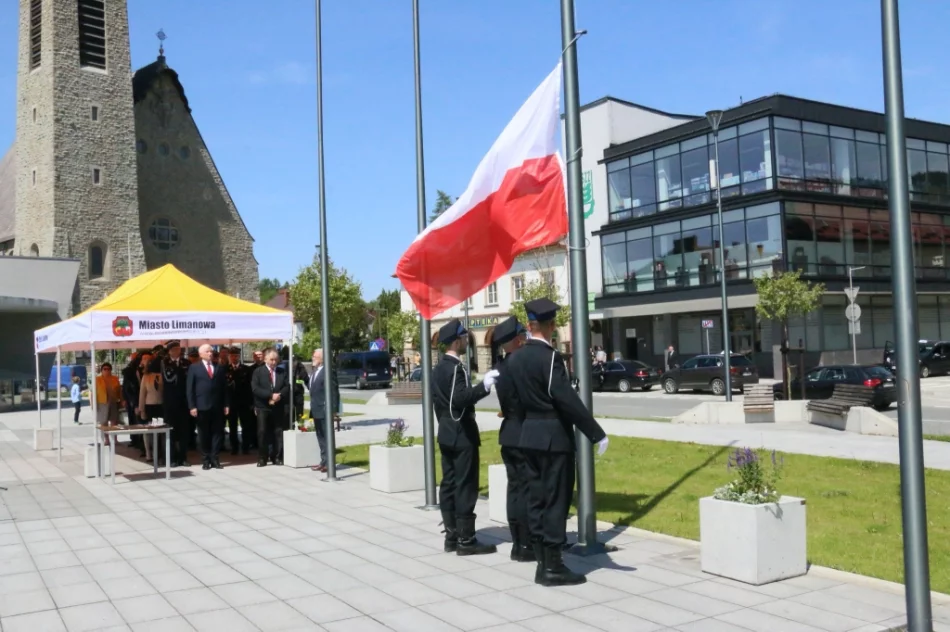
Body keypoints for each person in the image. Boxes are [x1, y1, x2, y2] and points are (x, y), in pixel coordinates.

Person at [509, 298, 609, 586]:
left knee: (536, 499)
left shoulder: (515, 359)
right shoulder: (550, 358)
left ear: (529, 325)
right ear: (551, 326)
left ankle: (542, 562)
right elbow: (564, 398)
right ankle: (553, 567)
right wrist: (595, 432)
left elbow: (514, 402)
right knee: (556, 501)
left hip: (528, 435)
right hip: (554, 437)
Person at [432, 318, 500, 556]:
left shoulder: (438, 368)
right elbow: (460, 399)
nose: (464, 341)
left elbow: (438, 404)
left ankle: (451, 537)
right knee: (465, 485)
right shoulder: (455, 367)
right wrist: (484, 386)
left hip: (447, 432)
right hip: (462, 434)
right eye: (462, 338)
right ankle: (466, 540)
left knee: (449, 483)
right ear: (457, 340)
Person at [491, 316, 535, 563]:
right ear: (518, 339)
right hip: (524, 433)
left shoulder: (500, 367)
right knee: (526, 489)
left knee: (515, 490)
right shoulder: (522, 364)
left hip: (508, 432)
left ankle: (518, 543)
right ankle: (527, 543)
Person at [186, 344, 230, 470]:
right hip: (201, 406)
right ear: (201, 354)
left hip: (217, 405)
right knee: (203, 433)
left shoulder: (219, 368)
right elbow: (190, 389)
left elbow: (224, 388)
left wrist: (226, 404)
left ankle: (215, 458)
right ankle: (205, 459)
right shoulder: (194, 368)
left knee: (217, 432)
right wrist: (192, 406)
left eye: (211, 351)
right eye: (207, 351)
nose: (210, 353)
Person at [251, 348, 290, 466]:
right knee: (262, 432)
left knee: (277, 431)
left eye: (275, 360)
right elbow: (255, 388)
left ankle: (276, 456)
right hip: (263, 406)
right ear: (265, 359)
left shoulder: (281, 372)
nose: (274, 362)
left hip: (278, 406)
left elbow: (287, 386)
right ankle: (262, 457)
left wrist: (279, 395)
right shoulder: (258, 371)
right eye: (271, 359)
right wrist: (270, 395)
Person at [308, 348, 340, 474]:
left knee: (327, 437)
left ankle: (329, 463)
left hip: (325, 409)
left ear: (323, 358)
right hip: (316, 409)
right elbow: (313, 388)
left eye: (315, 356)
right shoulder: (315, 371)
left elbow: (333, 391)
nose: (313, 358)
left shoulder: (328, 371)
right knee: (320, 437)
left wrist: (333, 409)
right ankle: (323, 461)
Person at [162, 341, 191, 467]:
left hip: (184, 402)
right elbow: (168, 378)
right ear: (169, 351)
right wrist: (178, 368)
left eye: (178, 349)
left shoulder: (186, 363)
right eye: (173, 349)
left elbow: (189, 379)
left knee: (184, 431)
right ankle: (172, 458)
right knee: (171, 431)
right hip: (170, 402)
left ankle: (183, 458)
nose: (176, 351)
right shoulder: (165, 363)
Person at [138, 358, 164, 464]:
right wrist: (141, 409)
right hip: (150, 406)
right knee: (149, 430)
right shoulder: (146, 377)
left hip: (160, 406)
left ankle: (158, 453)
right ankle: (149, 452)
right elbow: (142, 394)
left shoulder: (163, 376)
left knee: (159, 430)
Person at [94, 363, 123, 446]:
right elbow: (94, 393)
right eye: (104, 369)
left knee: (114, 421)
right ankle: (106, 440)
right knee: (104, 422)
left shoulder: (115, 378)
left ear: (111, 370)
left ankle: (115, 439)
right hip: (102, 403)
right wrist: (94, 404)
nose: (106, 370)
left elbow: (119, 391)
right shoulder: (97, 379)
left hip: (113, 402)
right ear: (101, 370)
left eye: (108, 369)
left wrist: (122, 400)